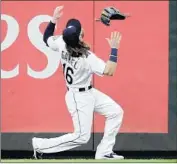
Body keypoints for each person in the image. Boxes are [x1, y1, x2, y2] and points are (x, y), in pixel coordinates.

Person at [32, 6, 124, 160]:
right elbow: (109, 71)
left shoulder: (62, 42)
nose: (81, 31)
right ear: (79, 38)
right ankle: (40, 145)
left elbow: (46, 38)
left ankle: (104, 152)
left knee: (115, 112)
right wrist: (114, 49)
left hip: (88, 92)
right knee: (82, 137)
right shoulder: (86, 57)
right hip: (78, 97)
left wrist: (54, 20)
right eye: (80, 32)